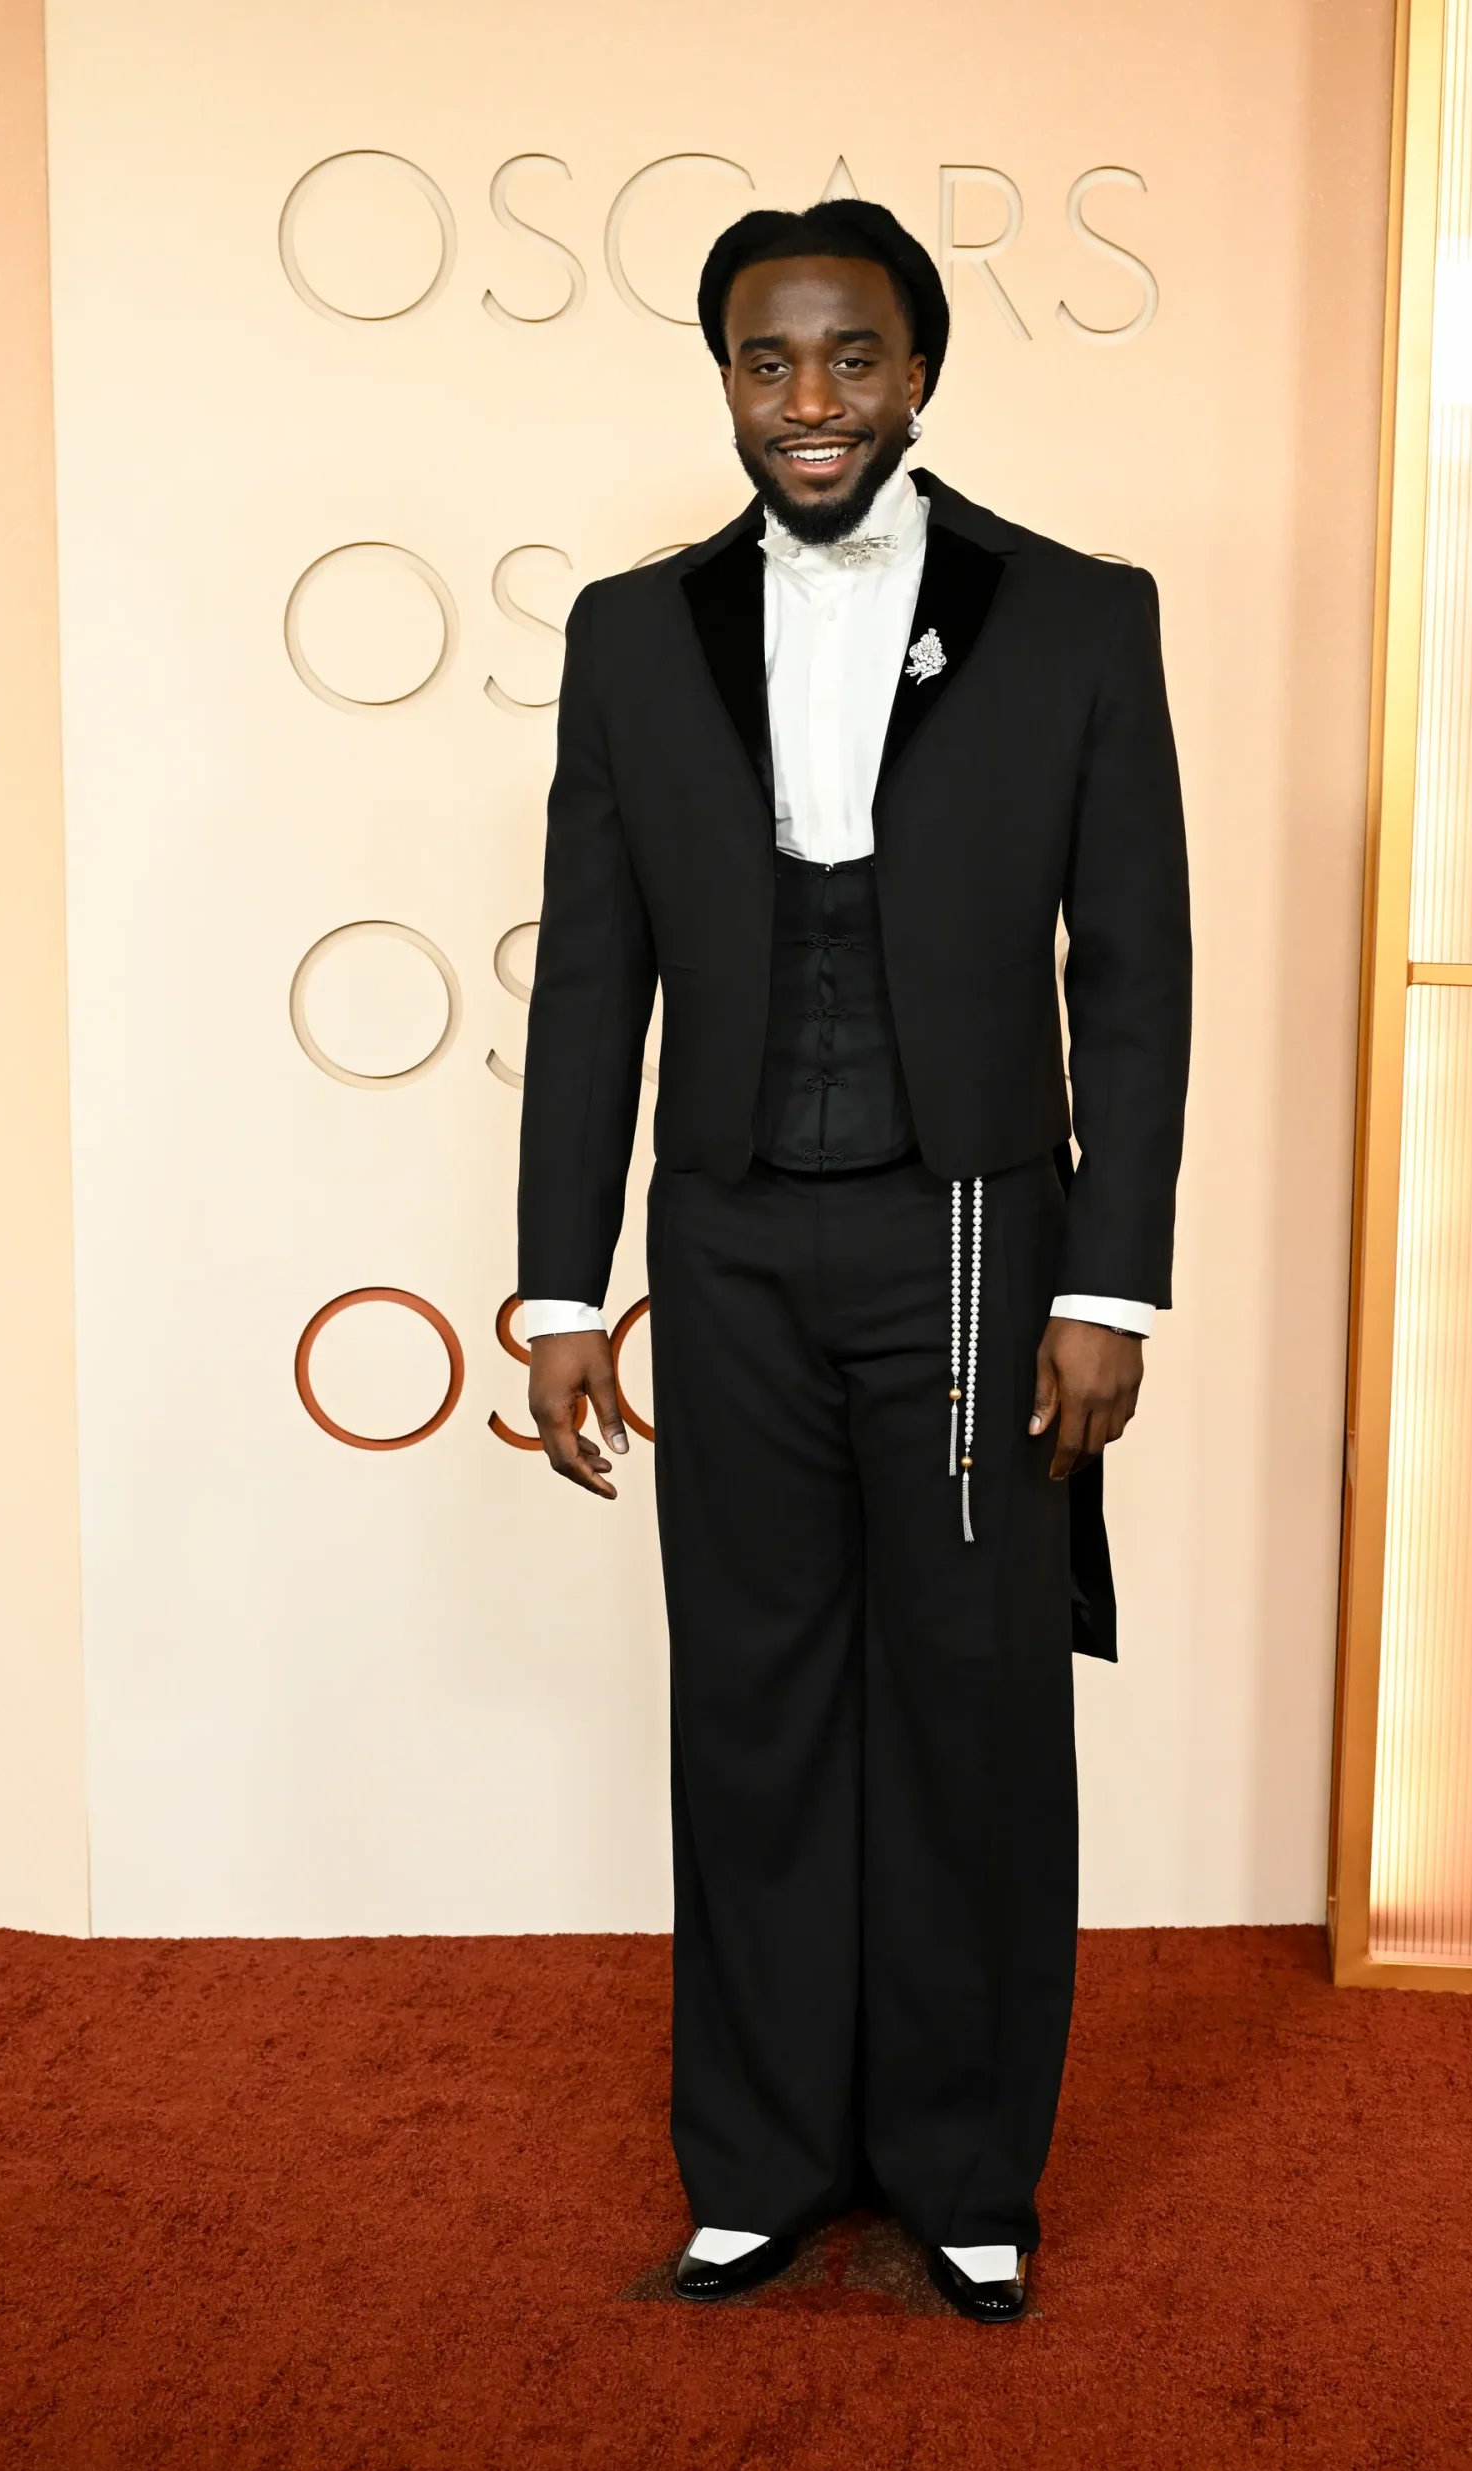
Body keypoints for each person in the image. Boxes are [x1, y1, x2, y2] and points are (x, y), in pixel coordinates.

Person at [517, 198, 1189, 2324]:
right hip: (721, 1237)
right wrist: (558, 1286)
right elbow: (591, 976)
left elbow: (1136, 973)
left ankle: (964, 2165)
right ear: (724, 378)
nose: (807, 398)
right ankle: (760, 2160)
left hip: (972, 1231)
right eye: (766, 359)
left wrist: (1112, 1285)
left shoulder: (1076, 616)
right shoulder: (632, 633)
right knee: (752, 1700)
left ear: (920, 372)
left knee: (970, 1701)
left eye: (850, 355)